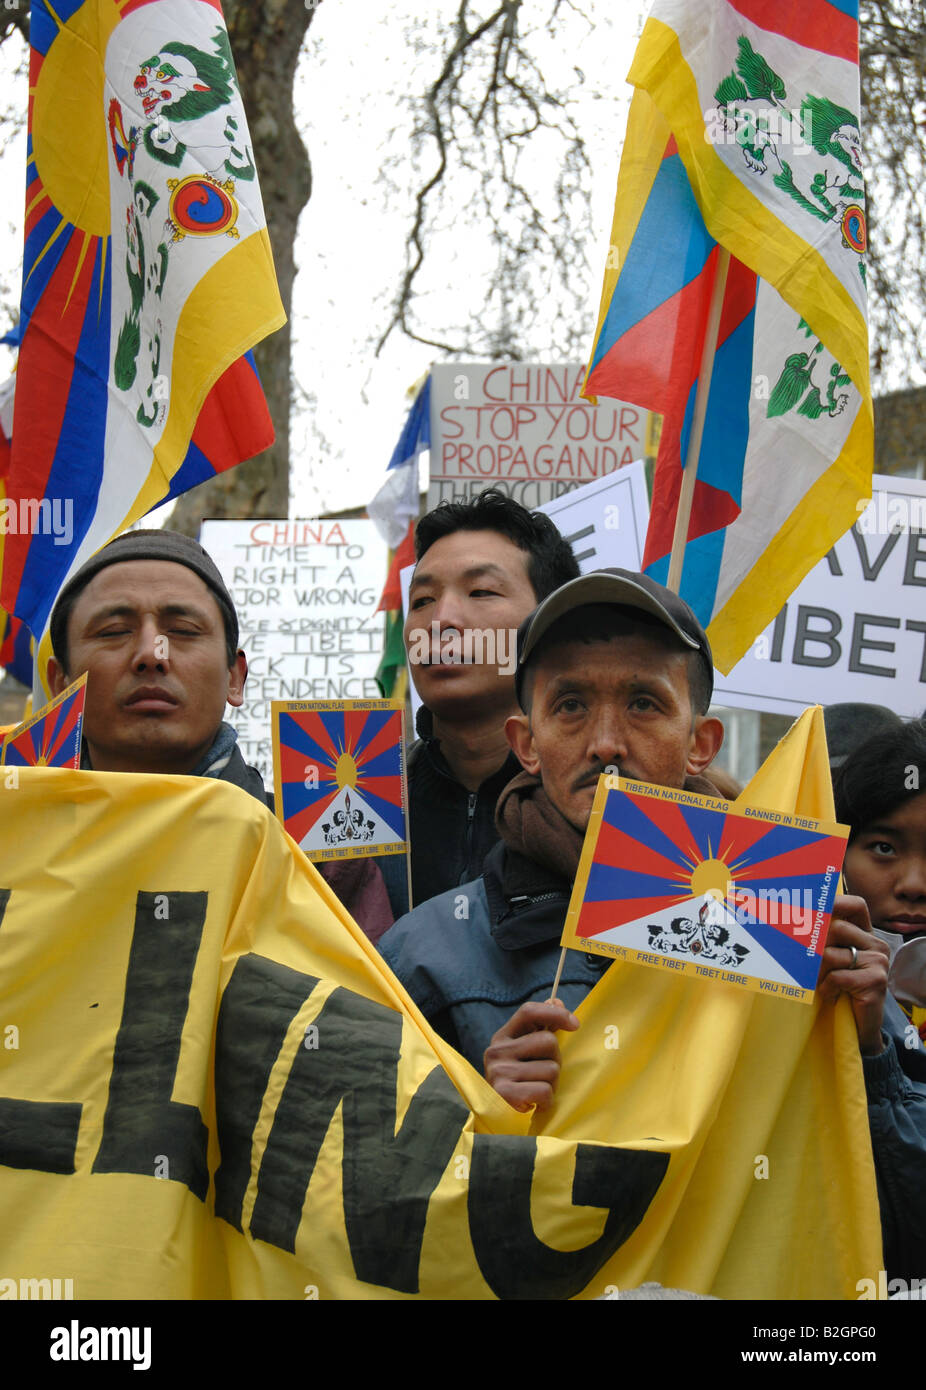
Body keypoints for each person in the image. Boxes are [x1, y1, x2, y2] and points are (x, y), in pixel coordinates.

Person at [382, 568, 725, 1095]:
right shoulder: (423, 957)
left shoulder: (783, 915)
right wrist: (474, 1110)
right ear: (527, 744)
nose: (606, 744)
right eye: (571, 706)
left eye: (643, 704)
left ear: (699, 743)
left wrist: (863, 1043)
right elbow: (364, 1160)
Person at [47, 528, 392, 936]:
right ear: (60, 686)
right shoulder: (18, 838)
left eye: (184, 631)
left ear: (234, 677)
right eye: (113, 632)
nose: (150, 655)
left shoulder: (318, 857)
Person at [401, 488, 579, 911]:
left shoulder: (603, 807)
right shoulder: (365, 800)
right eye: (422, 601)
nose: (441, 621)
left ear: (550, 623)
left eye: (480, 592)